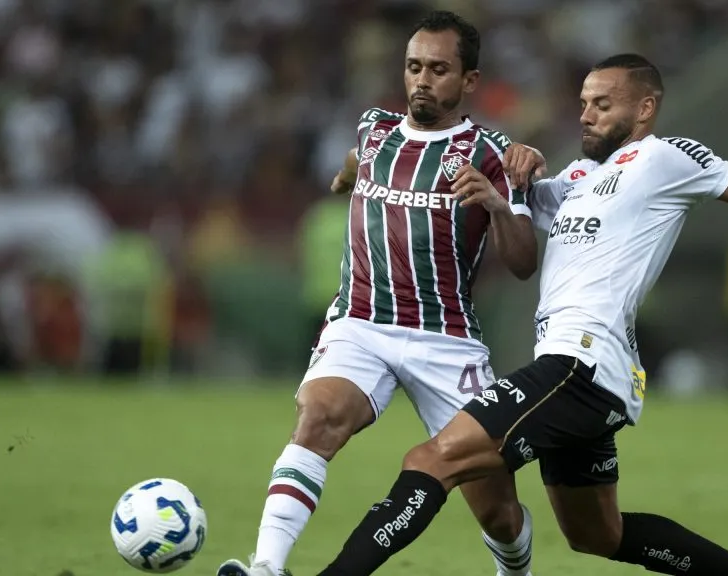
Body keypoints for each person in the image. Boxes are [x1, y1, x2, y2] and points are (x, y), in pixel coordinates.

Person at [312, 53, 728, 576]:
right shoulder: (578, 178)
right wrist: (518, 166)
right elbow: (516, 201)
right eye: (584, 102)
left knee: (430, 461)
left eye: (602, 104)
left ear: (645, 109)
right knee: (597, 534)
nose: (586, 114)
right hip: (582, 374)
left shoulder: (665, 159)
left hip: (579, 365)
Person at [216, 11, 541, 576]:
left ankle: (515, 566)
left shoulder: (493, 154)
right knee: (317, 420)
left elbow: (522, 263)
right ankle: (265, 567)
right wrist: (346, 179)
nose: (421, 79)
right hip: (361, 323)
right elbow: (354, 160)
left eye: (438, 70)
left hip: (447, 340)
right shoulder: (375, 130)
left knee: (498, 512)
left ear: (469, 81)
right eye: (414, 66)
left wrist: (494, 201)